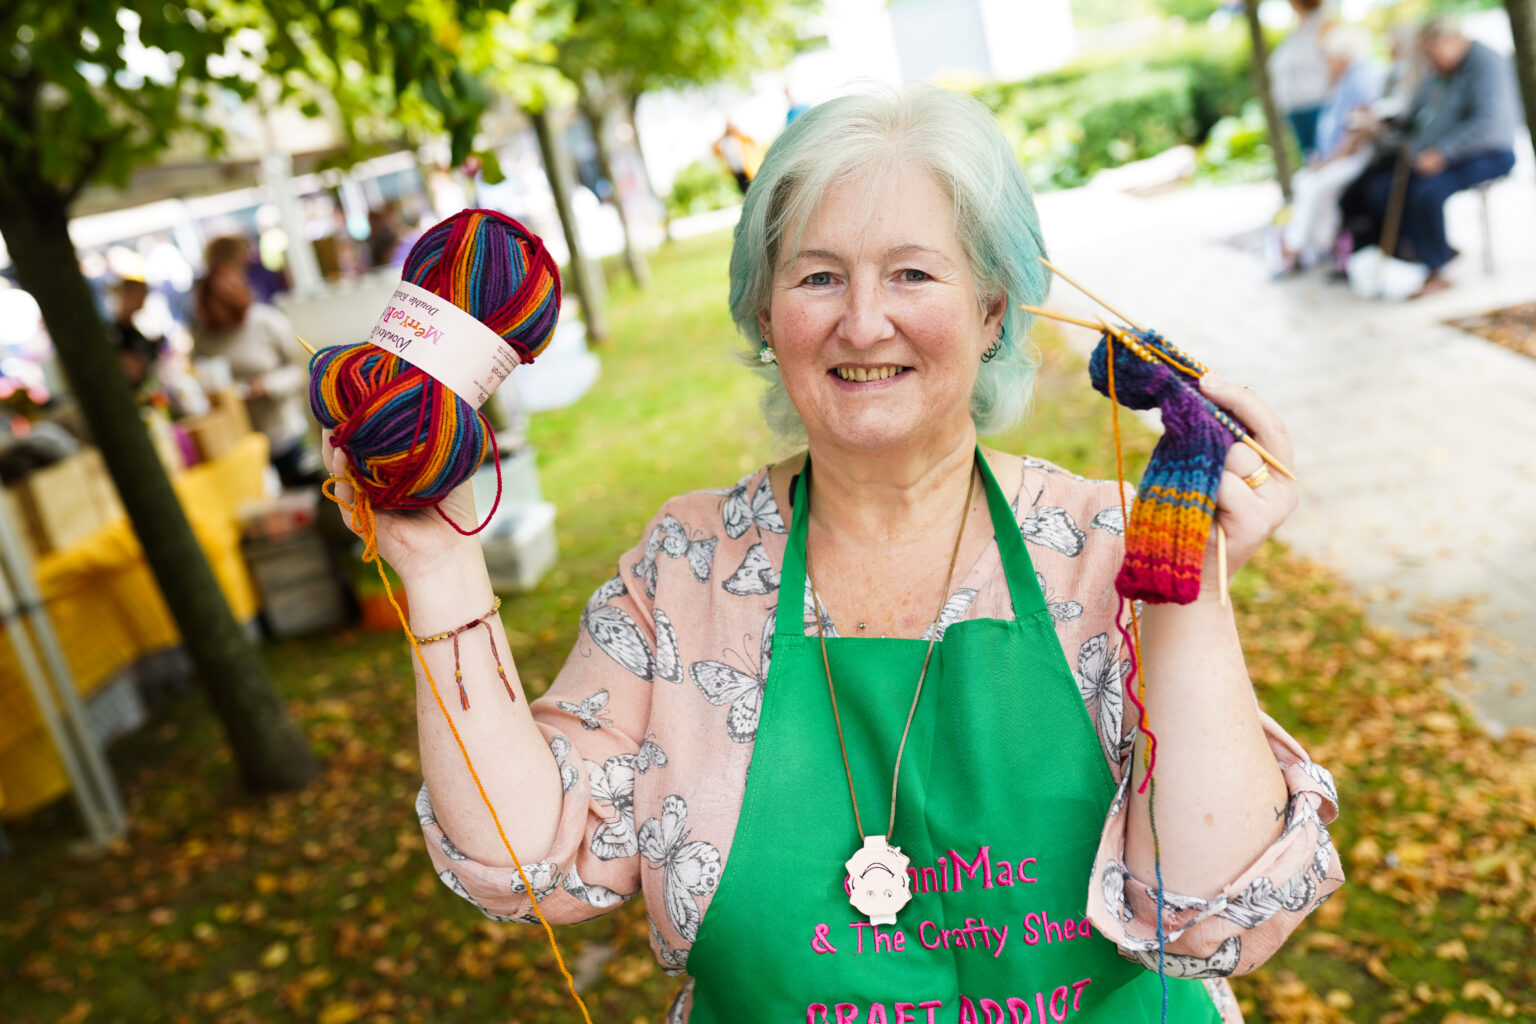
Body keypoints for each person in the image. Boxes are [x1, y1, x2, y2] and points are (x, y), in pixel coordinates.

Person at [338, 88, 1341, 1022]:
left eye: (913, 272)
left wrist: (1189, 594)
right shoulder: (687, 566)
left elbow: (1215, 911)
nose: (864, 321)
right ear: (766, 318)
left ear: (995, 310)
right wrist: (434, 565)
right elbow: (522, 856)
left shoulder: (1111, 544)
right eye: (819, 277)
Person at [1339, 17, 1519, 297]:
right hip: (1435, 155)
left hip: (1487, 153)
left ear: (1452, 41)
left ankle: (1437, 268)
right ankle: (1427, 252)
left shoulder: (1486, 63)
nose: (1429, 61)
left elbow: (1488, 123)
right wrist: (1385, 124)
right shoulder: (1438, 71)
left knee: (1427, 192)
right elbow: (1416, 115)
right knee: (1383, 189)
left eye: (1432, 53)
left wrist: (1443, 153)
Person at [191, 237, 321, 487]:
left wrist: (269, 386)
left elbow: (301, 369)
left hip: (284, 433)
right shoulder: (203, 339)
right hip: (237, 442)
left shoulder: (266, 322)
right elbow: (199, 378)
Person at [1274, 26, 1382, 274]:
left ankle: (1296, 247)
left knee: (1316, 185)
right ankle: (1315, 244)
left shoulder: (1361, 79)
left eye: (1329, 57)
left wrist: (1327, 162)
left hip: (1356, 157)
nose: (1325, 63)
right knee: (1307, 182)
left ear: (1343, 56)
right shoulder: (1343, 82)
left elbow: (1356, 133)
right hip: (1338, 157)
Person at [1268, 0, 1337, 159]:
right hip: (1297, 110)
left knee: (1321, 159)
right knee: (1310, 159)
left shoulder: (1324, 24)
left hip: (1316, 107)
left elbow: (1334, 65)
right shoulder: (1298, 27)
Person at [713, 121, 763, 195]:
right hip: (737, 172)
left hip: (747, 170)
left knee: (754, 189)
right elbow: (715, 149)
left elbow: (752, 141)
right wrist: (723, 136)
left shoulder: (740, 139)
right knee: (744, 191)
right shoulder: (725, 142)